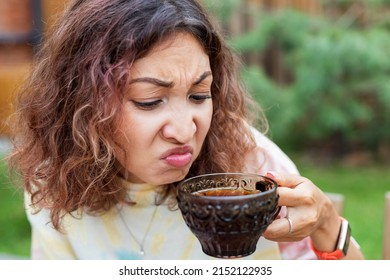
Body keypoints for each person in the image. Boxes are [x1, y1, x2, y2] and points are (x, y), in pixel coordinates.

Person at [8, 0, 364, 260]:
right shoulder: (52, 183)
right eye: (149, 101)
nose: (184, 131)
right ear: (83, 104)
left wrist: (327, 226)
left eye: (198, 95)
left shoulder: (253, 167)